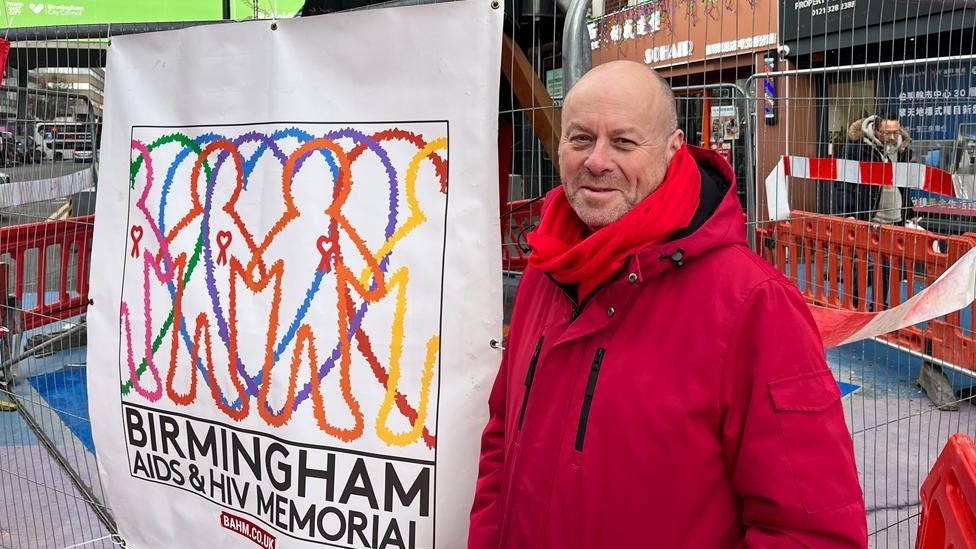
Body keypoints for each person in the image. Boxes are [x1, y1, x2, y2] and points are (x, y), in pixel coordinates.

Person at [468, 60, 866, 548]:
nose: (597, 160)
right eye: (580, 138)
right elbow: (502, 440)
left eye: (624, 142)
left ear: (673, 148)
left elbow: (810, 532)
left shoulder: (753, 305)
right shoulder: (546, 268)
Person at [833, 112, 914, 223]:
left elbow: (903, 186)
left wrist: (909, 213)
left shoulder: (901, 150)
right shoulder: (856, 149)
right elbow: (844, 183)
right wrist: (848, 213)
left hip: (898, 219)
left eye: (896, 133)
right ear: (875, 130)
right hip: (869, 219)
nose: (892, 137)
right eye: (886, 133)